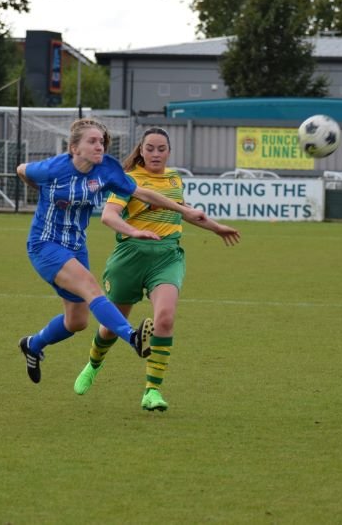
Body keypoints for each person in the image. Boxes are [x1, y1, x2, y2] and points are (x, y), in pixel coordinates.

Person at [15, 118, 208, 385]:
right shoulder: (52, 169)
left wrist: (184, 210)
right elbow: (22, 169)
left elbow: (143, 193)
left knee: (77, 322)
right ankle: (132, 337)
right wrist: (41, 189)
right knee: (91, 287)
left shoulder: (106, 170)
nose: (100, 146)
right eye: (92, 141)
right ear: (74, 148)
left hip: (76, 246)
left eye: (102, 142)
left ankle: (33, 345)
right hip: (45, 244)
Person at [73, 127, 241, 411]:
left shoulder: (174, 178)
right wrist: (134, 232)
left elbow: (184, 211)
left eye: (161, 149)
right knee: (111, 328)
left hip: (167, 256)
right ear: (141, 150)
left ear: (169, 152)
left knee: (164, 318)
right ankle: (93, 365)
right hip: (129, 256)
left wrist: (215, 228)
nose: (155, 154)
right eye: (150, 148)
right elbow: (109, 217)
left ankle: (152, 391)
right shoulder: (128, 180)